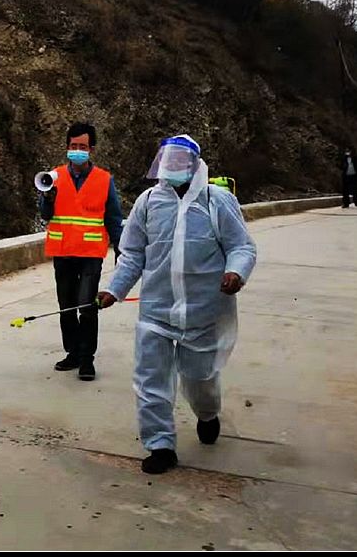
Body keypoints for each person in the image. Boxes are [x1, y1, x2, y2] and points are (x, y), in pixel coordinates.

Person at [98, 134, 256, 474]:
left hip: (203, 311)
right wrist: (114, 289)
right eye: (167, 159)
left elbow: (241, 246)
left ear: (195, 165)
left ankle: (207, 413)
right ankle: (160, 445)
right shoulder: (148, 202)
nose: (172, 165)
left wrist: (235, 272)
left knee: (200, 379)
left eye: (180, 160)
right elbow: (132, 254)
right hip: (156, 311)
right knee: (150, 380)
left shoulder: (217, 201)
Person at [39, 121, 124, 382]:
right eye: (73, 146)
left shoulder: (104, 180)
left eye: (83, 146)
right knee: (66, 307)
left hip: (90, 254)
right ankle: (73, 353)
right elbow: (45, 215)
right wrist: (48, 198)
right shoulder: (54, 177)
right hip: (63, 252)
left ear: (91, 149)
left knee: (87, 307)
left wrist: (121, 249)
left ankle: (87, 359)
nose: (77, 150)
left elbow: (113, 218)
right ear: (67, 147)